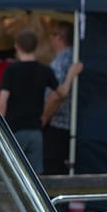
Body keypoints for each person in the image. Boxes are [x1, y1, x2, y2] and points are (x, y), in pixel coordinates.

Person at [0, 26, 56, 170]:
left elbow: (2, 103)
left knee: (11, 171)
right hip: (35, 131)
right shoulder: (45, 70)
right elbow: (60, 94)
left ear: (17, 46)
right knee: (34, 178)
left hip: (15, 130)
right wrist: (71, 75)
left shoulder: (11, 70)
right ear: (36, 47)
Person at [40, 22, 83, 174]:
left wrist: (44, 118)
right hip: (71, 126)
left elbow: (57, 95)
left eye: (53, 35)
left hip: (57, 125)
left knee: (52, 169)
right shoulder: (75, 57)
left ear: (59, 37)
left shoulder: (61, 61)